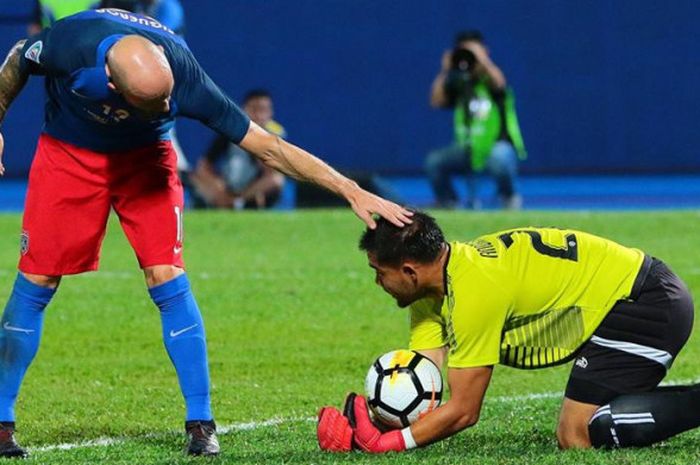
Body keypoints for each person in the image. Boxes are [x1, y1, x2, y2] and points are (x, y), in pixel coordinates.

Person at [0, 8, 411, 458]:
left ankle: (201, 421)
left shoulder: (185, 73)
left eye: (166, 100)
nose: (165, 108)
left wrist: (349, 189)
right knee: (37, 278)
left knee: (167, 275)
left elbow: (269, 147)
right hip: (70, 153)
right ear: (112, 84)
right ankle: (2, 421)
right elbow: (19, 59)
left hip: (146, 158)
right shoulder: (71, 43)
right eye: (150, 104)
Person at [317, 211, 699, 453]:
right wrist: (371, 419)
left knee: (579, 434)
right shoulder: (434, 288)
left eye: (379, 272)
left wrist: (386, 444)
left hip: (643, 305)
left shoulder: (473, 293)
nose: (377, 282)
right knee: (585, 428)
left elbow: (465, 410)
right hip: (627, 297)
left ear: (410, 271)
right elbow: (425, 381)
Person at [426, 30, 526, 209]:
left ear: (485, 52)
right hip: (466, 147)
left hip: (496, 146)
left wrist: (482, 59)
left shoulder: (491, 82)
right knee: (434, 161)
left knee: (500, 158)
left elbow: (500, 83)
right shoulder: (459, 83)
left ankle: (509, 197)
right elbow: (436, 101)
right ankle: (448, 202)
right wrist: (446, 70)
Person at [191, 89, 287, 209]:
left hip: (253, 190)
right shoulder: (230, 129)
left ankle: (238, 202)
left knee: (276, 180)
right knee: (197, 179)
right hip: (227, 185)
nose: (259, 115)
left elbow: (272, 174)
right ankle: (223, 202)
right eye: (254, 109)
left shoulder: (275, 133)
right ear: (243, 110)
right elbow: (204, 165)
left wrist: (259, 143)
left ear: (270, 112)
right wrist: (218, 186)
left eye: (263, 110)